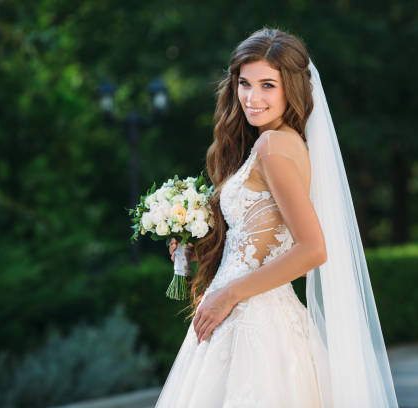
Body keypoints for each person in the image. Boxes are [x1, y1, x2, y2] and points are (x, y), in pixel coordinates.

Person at [156, 27, 398, 407]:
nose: (252, 98)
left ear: (292, 88)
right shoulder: (281, 144)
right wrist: (197, 252)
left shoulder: (272, 147)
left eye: (268, 85)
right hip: (249, 314)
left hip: (252, 321)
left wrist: (229, 294)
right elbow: (260, 242)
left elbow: (313, 250)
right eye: (245, 83)